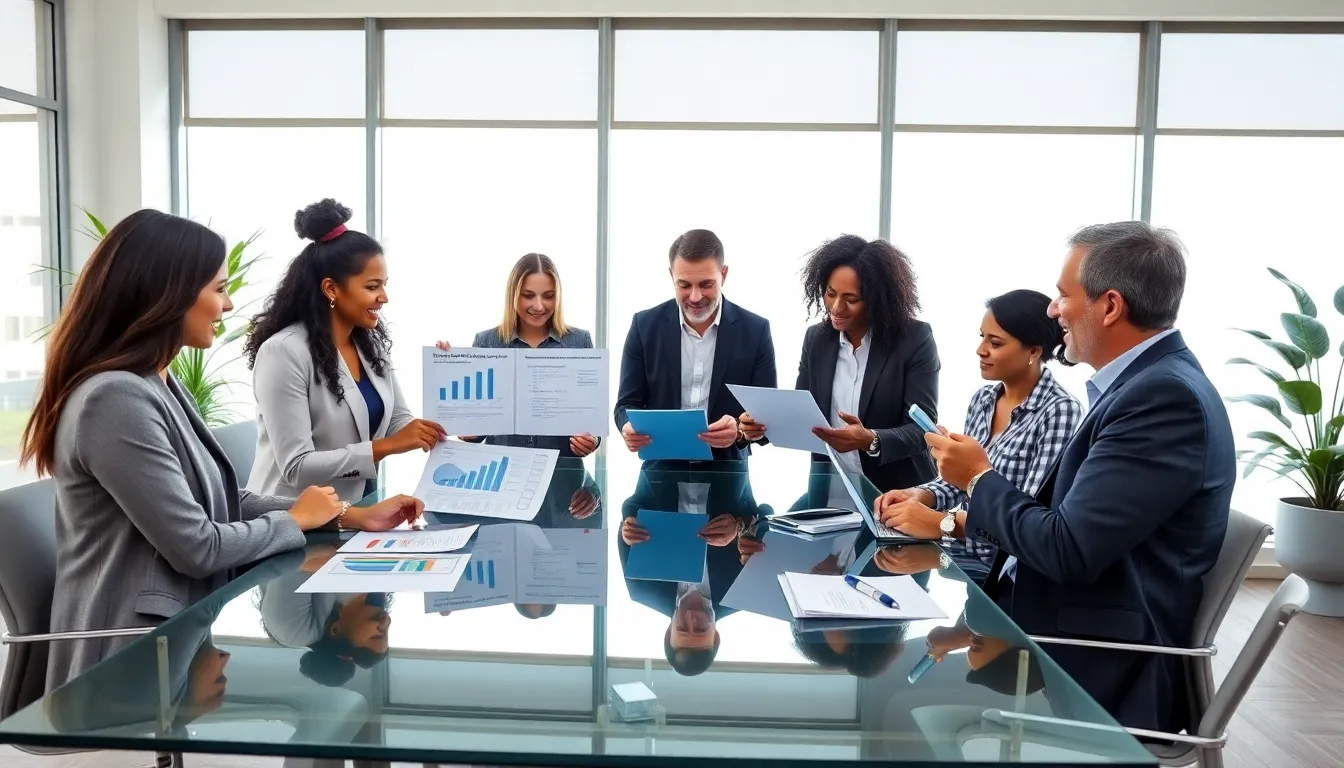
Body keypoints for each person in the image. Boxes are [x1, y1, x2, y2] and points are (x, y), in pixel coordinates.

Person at [19, 210, 424, 691]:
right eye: (218, 289)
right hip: (130, 660)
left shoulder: (158, 384)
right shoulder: (115, 399)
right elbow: (197, 546)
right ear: (166, 294)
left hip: (186, 628)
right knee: (326, 708)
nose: (229, 305)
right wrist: (295, 520)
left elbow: (223, 499)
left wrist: (348, 517)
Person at [880, 221, 1234, 733]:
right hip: (1044, 621)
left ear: (1110, 306)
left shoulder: (1162, 399)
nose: (1053, 310)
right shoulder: (1139, 386)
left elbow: (1067, 549)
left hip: (1091, 662)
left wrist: (979, 478)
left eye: (1063, 295)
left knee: (893, 703)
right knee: (891, 671)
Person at [874, 289, 1083, 583]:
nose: (980, 350)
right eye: (981, 337)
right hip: (964, 560)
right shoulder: (983, 399)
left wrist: (943, 523)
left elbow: (1032, 519)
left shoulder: (1060, 412)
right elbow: (962, 482)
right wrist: (920, 495)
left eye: (995, 342)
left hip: (1007, 575)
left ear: (1034, 352)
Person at [245, 198, 447, 502]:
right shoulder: (283, 352)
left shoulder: (370, 343)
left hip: (350, 511)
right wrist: (386, 447)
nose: (384, 297)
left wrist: (450, 401)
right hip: (288, 519)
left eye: (384, 284)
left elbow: (398, 422)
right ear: (331, 289)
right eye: (372, 287)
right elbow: (296, 467)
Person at [739, 235, 938, 491]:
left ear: (878, 300)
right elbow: (801, 414)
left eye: (851, 299)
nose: (836, 307)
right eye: (830, 293)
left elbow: (923, 429)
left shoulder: (914, 339)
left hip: (899, 492)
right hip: (830, 487)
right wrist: (760, 427)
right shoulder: (817, 339)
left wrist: (871, 440)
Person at [614, 229, 777, 460]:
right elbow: (626, 405)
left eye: (706, 284)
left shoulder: (756, 330)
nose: (695, 297)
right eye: (684, 285)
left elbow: (768, 419)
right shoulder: (644, 326)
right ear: (671, 276)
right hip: (660, 469)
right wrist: (628, 427)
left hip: (729, 472)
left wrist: (740, 431)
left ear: (724, 274)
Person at [434, 252, 599, 458]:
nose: (539, 306)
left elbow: (592, 419)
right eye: (528, 295)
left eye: (548, 296)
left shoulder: (579, 341)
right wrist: (446, 364)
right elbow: (478, 428)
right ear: (513, 295)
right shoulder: (486, 342)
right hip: (503, 472)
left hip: (562, 473)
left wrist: (591, 441)